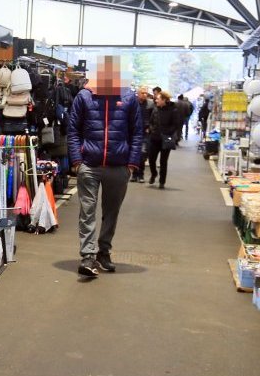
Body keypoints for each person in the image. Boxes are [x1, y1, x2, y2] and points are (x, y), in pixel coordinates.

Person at [68, 55, 143, 278]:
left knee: (111, 212)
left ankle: (104, 252)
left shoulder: (129, 98)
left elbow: (137, 132)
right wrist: (77, 161)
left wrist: (131, 163)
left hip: (119, 166)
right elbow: (73, 131)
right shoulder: (84, 97)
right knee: (87, 211)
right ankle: (88, 256)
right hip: (89, 165)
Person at [146, 91, 181, 189]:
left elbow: (176, 124)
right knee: (151, 159)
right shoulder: (155, 109)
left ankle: (162, 181)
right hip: (154, 138)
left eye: (158, 99)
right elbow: (151, 121)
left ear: (164, 100)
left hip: (166, 139)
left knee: (163, 161)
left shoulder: (173, 110)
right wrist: (151, 128)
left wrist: (167, 132)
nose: (156, 100)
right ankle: (154, 174)